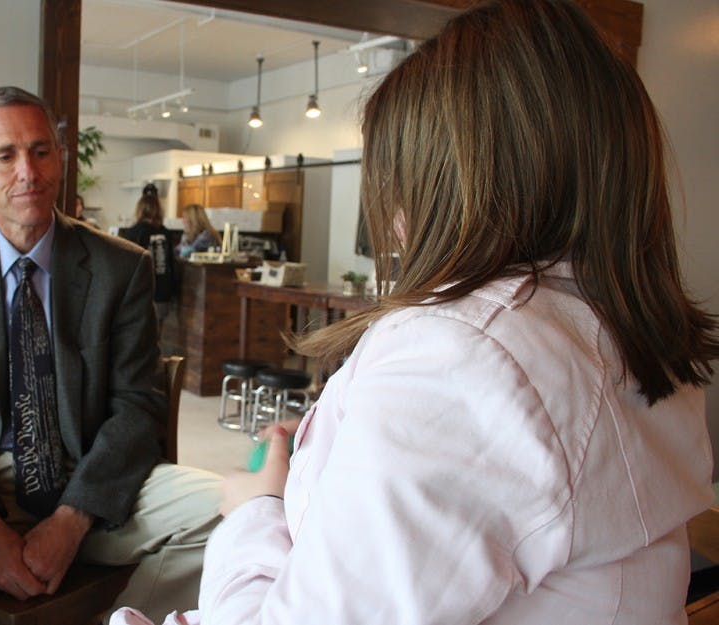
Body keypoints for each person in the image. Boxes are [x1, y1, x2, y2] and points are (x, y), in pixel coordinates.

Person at [111, 1, 718, 624]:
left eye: (403, 183)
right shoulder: (616, 332)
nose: (396, 225)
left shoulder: (468, 357)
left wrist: (255, 511)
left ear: (464, 184)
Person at [0, 86, 220, 624]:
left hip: (91, 479)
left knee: (237, 514)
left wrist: (72, 519)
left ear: (61, 160)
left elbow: (137, 405)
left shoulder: (121, 267)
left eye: (41, 151)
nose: (28, 171)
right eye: (6, 155)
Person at [121, 184, 177, 329]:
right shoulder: (166, 233)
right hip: (163, 292)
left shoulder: (133, 233)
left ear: (139, 209)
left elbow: (126, 266)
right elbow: (171, 263)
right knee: (157, 337)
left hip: (140, 294)